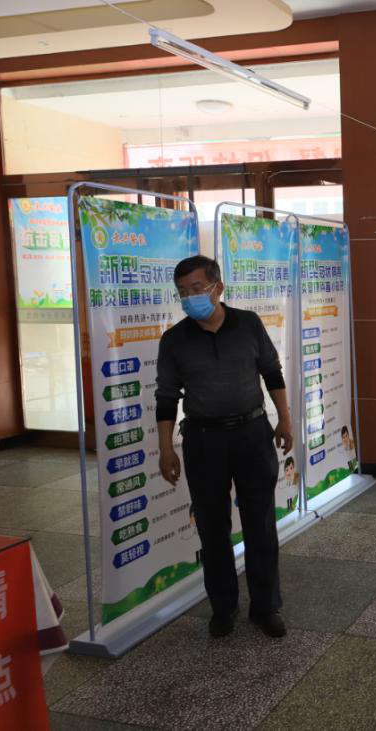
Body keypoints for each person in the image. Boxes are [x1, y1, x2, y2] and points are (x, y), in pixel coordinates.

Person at [156, 255, 293, 639]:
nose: (190, 297)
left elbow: (272, 373)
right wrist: (166, 448)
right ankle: (223, 607)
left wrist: (285, 419)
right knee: (212, 528)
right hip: (203, 441)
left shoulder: (248, 324)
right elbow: (166, 398)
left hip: (252, 433)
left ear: (218, 287)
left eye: (197, 289)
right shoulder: (174, 340)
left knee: (260, 524)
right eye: (183, 292)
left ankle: (265, 606)